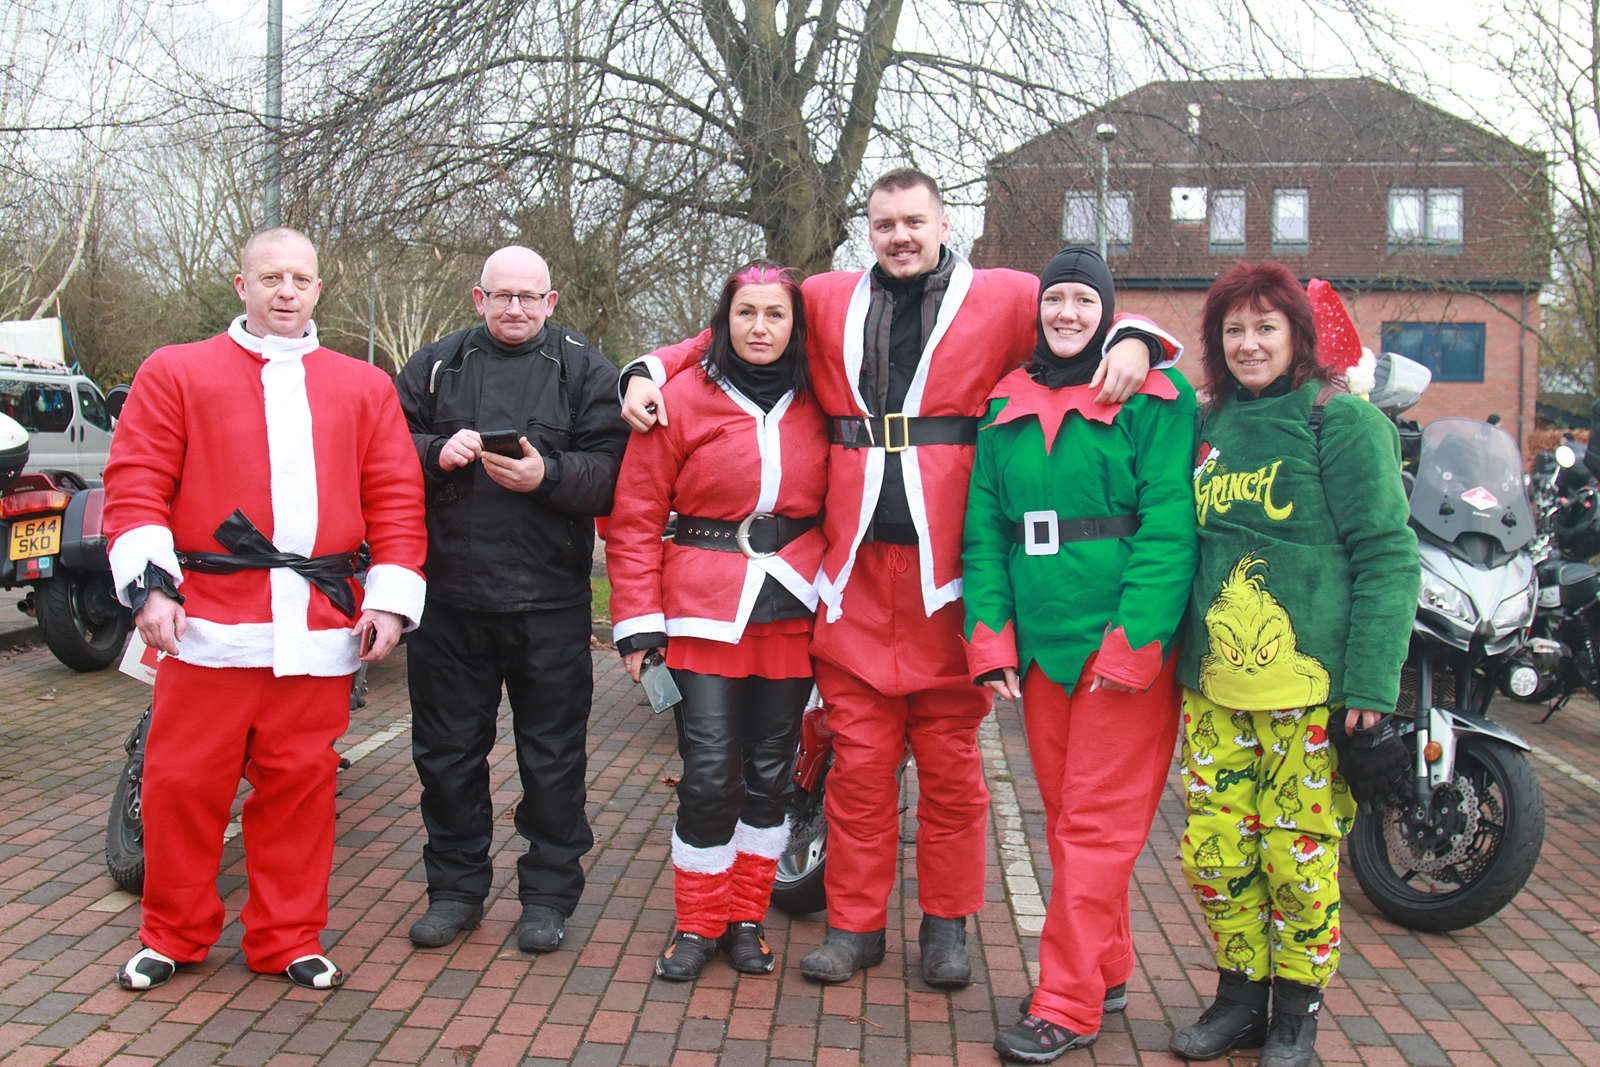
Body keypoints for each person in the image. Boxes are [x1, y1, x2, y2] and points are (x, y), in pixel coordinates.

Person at [619, 169, 1176, 987]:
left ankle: (946, 927)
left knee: (953, 773)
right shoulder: (828, 294)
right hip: (850, 575)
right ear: (867, 230)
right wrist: (645, 365)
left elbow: (1080, 311)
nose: (900, 236)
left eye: (914, 221)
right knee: (859, 769)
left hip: (948, 578)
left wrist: (1139, 338)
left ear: (945, 224)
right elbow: (737, 329)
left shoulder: (1007, 292)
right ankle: (855, 924)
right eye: (884, 224)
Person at [103, 227, 428, 991]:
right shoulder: (175, 371)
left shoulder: (364, 384)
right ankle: (173, 934)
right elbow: (138, 479)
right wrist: (149, 587)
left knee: (301, 790)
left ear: (320, 288)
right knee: (181, 785)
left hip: (317, 624)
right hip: (206, 619)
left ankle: (287, 935)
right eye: (272, 276)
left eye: (302, 279)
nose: (287, 291)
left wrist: (389, 599)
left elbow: (396, 501)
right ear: (241, 283)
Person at [1171, 262, 1417, 1067]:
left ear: (1297, 336)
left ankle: (1295, 1014)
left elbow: (1387, 557)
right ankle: (1240, 997)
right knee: (1215, 852)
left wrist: (1373, 689)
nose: (1248, 343)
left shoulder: (1340, 422)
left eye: (1265, 327)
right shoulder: (1208, 425)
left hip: (1311, 697)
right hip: (1215, 692)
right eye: (1233, 330)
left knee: (1296, 858)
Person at [961, 248, 1196, 1061]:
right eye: (1054, 298)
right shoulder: (1003, 403)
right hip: (1042, 650)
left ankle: (1067, 1000)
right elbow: (984, 532)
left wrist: (1136, 639)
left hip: (1120, 645)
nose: (1066, 313)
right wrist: (989, 639)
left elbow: (1170, 525)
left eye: (1083, 301)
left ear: (1107, 311)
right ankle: (1108, 964)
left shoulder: (1156, 395)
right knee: (1068, 822)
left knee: (1092, 828)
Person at [395, 246, 627, 953]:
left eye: (530, 296)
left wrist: (548, 475)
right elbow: (382, 451)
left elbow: (616, 474)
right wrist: (435, 451)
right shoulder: (434, 366)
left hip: (550, 603)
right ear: (478, 297)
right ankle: (456, 890)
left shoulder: (586, 369)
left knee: (553, 757)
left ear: (551, 302)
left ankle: (548, 894)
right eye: (503, 296)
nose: (516, 308)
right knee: (446, 754)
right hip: (449, 603)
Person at [606, 262, 827, 980]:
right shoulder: (680, 398)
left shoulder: (822, 394)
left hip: (793, 606)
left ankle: (744, 920)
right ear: (722, 322)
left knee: (770, 776)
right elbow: (636, 518)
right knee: (707, 774)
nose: (760, 328)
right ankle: (696, 923)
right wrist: (638, 622)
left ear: (796, 324)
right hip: (700, 609)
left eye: (775, 314)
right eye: (745, 314)